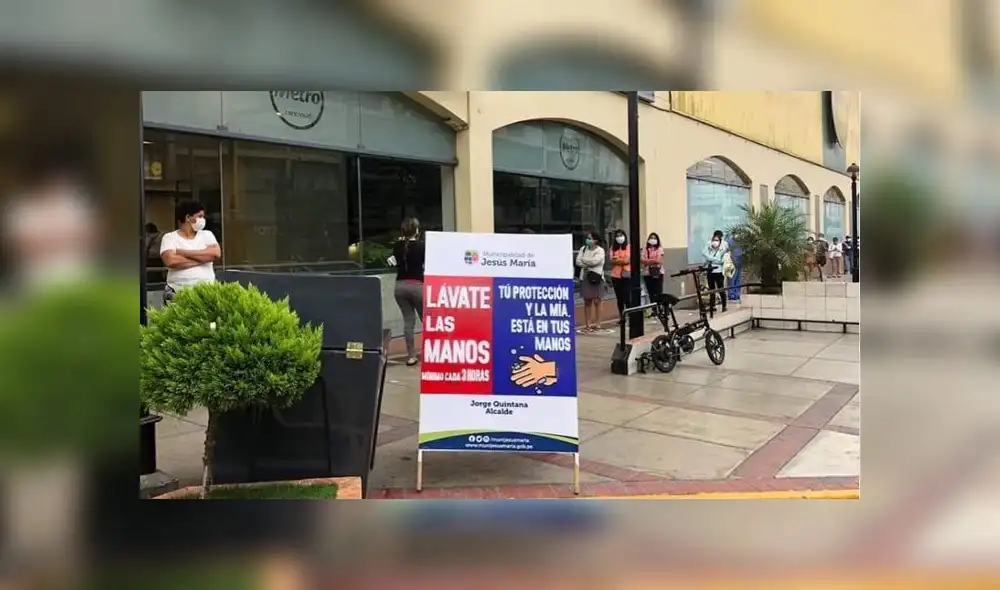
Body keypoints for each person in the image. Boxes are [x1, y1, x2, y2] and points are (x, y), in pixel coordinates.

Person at [159, 200, 221, 303]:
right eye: (199, 216)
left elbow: (216, 253)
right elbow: (171, 261)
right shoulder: (170, 238)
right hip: (178, 293)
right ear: (188, 217)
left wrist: (183, 252)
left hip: (207, 293)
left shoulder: (207, 235)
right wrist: (204, 259)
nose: (203, 220)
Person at [390, 217, 425, 366]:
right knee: (427, 321)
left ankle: (411, 356)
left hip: (400, 287)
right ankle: (431, 352)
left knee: (408, 322)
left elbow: (395, 261)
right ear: (417, 230)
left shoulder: (398, 245)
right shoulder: (421, 246)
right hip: (417, 286)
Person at [575, 231, 606, 333]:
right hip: (585, 277)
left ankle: (598, 323)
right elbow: (577, 261)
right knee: (587, 301)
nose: (587, 240)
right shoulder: (583, 249)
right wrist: (587, 262)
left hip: (596, 278)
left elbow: (596, 261)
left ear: (595, 240)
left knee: (598, 301)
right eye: (587, 238)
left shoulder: (600, 250)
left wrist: (585, 261)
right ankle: (588, 324)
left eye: (590, 238)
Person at [702, 230, 727, 313]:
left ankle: (724, 306)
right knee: (711, 290)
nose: (715, 242)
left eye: (717, 240)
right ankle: (712, 306)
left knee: (720, 289)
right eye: (714, 239)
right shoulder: (709, 246)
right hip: (710, 271)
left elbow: (722, 261)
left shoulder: (724, 247)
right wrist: (713, 260)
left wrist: (710, 259)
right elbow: (705, 256)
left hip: (719, 272)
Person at [608, 229, 632, 318]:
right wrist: (621, 260)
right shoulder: (613, 248)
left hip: (626, 274)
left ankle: (630, 315)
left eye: (621, 235)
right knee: (619, 298)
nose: (619, 238)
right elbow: (611, 260)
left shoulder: (628, 247)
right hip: (615, 275)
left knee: (627, 296)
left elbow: (627, 260)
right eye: (617, 236)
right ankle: (622, 317)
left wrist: (617, 260)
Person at [640, 232, 664, 303]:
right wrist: (653, 260)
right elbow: (642, 260)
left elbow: (658, 260)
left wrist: (647, 261)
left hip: (658, 273)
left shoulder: (660, 249)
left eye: (654, 238)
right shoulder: (645, 249)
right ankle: (654, 310)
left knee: (658, 293)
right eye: (651, 238)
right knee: (651, 294)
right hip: (647, 274)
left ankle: (660, 309)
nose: (653, 239)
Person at [726, 234, 742, 302]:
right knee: (732, 279)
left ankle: (737, 294)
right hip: (732, 263)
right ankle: (731, 294)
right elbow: (727, 252)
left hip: (740, 262)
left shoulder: (741, 241)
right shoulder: (729, 241)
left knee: (738, 279)